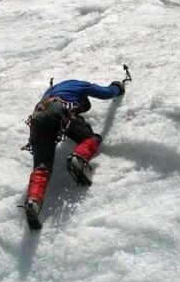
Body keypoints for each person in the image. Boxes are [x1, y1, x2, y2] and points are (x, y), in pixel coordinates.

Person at [23, 79, 125, 229]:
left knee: (41, 167)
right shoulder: (80, 85)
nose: (80, 110)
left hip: (37, 120)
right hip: (58, 110)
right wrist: (117, 87)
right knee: (90, 138)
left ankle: (33, 201)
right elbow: (105, 93)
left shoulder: (51, 91)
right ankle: (78, 157)